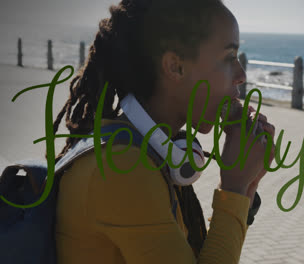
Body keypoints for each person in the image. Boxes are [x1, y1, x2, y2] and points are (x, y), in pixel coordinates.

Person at [53, 0, 276, 263]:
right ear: (175, 67)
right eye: (228, 58)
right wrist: (235, 187)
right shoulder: (122, 168)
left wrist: (247, 185)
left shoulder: (149, 150)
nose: (240, 74)